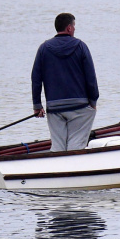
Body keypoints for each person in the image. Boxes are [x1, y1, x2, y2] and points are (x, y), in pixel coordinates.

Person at [31, 13, 100, 152]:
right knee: (77, 144)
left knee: (58, 146)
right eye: (74, 26)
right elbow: (91, 78)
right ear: (69, 28)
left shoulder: (43, 48)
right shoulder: (81, 46)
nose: (74, 29)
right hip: (80, 106)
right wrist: (93, 101)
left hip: (54, 107)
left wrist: (37, 105)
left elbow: (36, 78)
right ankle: (75, 168)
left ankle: (57, 169)